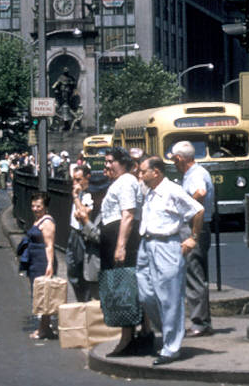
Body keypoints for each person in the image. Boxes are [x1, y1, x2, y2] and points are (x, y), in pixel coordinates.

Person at [136, 156, 204, 366]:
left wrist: (193, 238)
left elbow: (197, 210)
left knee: (170, 298)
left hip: (167, 245)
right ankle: (168, 332)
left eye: (143, 171)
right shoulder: (148, 191)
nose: (140, 175)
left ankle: (171, 347)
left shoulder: (172, 190)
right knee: (146, 294)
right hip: (146, 245)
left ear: (156, 172)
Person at [98, 147, 145, 355]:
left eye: (111, 161)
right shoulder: (121, 182)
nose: (107, 165)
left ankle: (127, 338)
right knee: (124, 286)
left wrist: (120, 246)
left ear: (123, 162)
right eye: (106, 162)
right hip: (114, 238)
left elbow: (127, 215)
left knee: (124, 287)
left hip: (120, 239)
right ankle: (141, 333)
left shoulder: (126, 182)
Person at [169, 140, 214, 338]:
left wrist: (188, 207)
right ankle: (202, 320)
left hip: (194, 227)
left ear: (179, 158)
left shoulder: (195, 175)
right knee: (196, 273)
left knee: (193, 274)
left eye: (173, 160)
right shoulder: (196, 173)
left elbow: (201, 192)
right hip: (198, 226)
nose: (173, 164)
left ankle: (200, 322)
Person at [24, 192, 57, 339]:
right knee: (39, 294)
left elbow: (49, 245)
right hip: (34, 260)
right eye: (33, 206)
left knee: (43, 295)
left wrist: (49, 264)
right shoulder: (38, 220)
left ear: (45, 207)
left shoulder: (47, 222)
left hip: (42, 261)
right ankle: (45, 327)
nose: (35, 209)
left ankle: (43, 329)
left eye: (38, 206)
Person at [66, 164, 100, 301]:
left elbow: (82, 215)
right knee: (72, 269)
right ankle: (81, 300)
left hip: (83, 235)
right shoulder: (79, 192)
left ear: (88, 178)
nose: (76, 183)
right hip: (73, 233)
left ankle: (85, 301)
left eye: (79, 180)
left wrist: (75, 198)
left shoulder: (89, 194)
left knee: (80, 271)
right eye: (74, 180)